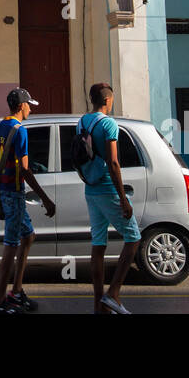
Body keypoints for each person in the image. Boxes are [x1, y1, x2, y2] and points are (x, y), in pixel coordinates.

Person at [0, 88, 56, 314]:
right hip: (14, 191)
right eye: (29, 105)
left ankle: (16, 290)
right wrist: (45, 199)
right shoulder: (20, 131)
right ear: (21, 106)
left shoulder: (1, 126)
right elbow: (26, 169)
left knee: (28, 236)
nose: (30, 109)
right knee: (11, 244)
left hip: (4, 189)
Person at [77, 83, 140, 314]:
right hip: (107, 188)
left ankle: (98, 305)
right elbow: (113, 162)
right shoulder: (109, 124)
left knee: (98, 245)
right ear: (108, 101)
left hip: (90, 189)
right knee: (133, 238)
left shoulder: (82, 122)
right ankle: (113, 293)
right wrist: (123, 198)